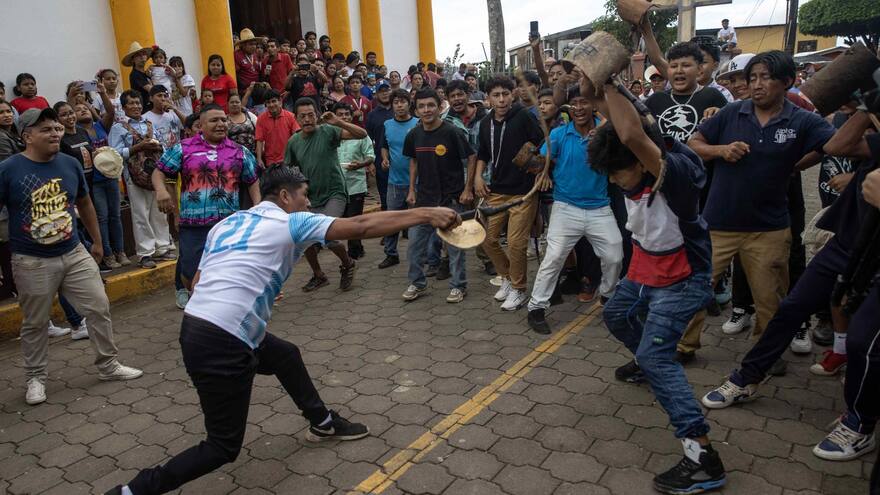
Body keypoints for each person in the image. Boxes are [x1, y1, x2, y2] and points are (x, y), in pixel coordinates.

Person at [106, 165, 460, 495]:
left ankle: (322, 421)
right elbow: (362, 226)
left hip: (198, 327)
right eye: (304, 195)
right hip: (223, 342)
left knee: (284, 355)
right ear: (286, 196)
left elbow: (197, 283)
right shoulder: (292, 221)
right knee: (222, 446)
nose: (308, 202)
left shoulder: (228, 223)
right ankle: (131, 491)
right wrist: (427, 214)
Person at [702, 110, 879, 463]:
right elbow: (837, 145)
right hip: (847, 242)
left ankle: (860, 424)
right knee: (792, 308)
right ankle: (748, 377)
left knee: (864, 340)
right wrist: (865, 107)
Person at [591, 79, 727, 494]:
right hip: (645, 266)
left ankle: (702, 458)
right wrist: (594, 83)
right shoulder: (635, 156)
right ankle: (648, 363)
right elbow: (618, 120)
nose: (616, 181)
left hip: (682, 278)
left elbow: (632, 135)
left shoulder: (676, 175)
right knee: (616, 315)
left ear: (641, 159)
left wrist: (610, 79)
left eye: (619, 172)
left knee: (658, 358)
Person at [670, 51, 836, 363]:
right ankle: (683, 346)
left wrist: (797, 164)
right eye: (753, 78)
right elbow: (694, 144)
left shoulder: (801, 120)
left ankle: (765, 355)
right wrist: (721, 150)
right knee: (694, 289)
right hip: (719, 224)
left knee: (770, 298)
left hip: (769, 228)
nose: (757, 84)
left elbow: (833, 145)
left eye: (766, 77)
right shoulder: (732, 112)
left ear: (787, 81)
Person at [1, 108, 143, 406]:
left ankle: (108, 365)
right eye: (46, 129)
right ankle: (36, 378)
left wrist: (97, 241)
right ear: (27, 136)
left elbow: (84, 202)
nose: (55, 133)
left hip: (74, 251)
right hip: (31, 260)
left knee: (98, 306)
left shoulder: (69, 163)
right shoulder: (9, 169)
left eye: (56, 128)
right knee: (36, 322)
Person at [526, 87, 623, 334]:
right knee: (554, 257)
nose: (579, 108)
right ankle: (536, 308)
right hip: (565, 207)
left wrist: (603, 135)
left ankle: (608, 296)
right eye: (574, 104)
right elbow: (540, 162)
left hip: (600, 207)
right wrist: (541, 169)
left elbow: (624, 131)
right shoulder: (558, 134)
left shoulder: (605, 133)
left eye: (584, 102)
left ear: (594, 106)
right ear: (569, 109)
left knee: (614, 256)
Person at [152, 103, 260, 301]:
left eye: (223, 120)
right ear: (201, 126)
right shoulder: (184, 148)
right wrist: (161, 191)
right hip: (193, 225)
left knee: (229, 271)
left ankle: (220, 305)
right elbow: (160, 171)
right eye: (214, 120)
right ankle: (195, 296)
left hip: (229, 225)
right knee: (189, 272)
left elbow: (252, 180)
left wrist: (258, 207)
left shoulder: (239, 151)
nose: (220, 124)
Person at [474, 76, 543, 311]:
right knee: (487, 239)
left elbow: (542, 144)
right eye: (496, 95)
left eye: (505, 94)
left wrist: (540, 171)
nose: (502, 99)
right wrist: (477, 177)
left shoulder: (524, 116)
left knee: (515, 243)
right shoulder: (485, 122)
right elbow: (483, 153)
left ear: (513, 95)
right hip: (496, 191)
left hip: (524, 192)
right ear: (488, 98)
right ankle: (506, 278)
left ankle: (519, 289)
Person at [401, 88, 475, 304]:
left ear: (440, 106)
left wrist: (468, 189)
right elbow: (413, 161)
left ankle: (459, 285)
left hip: (451, 199)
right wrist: (411, 189)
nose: (426, 110)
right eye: (422, 106)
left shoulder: (452, 132)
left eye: (431, 105)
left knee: (455, 247)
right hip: (424, 201)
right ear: (416, 110)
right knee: (414, 246)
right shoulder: (413, 135)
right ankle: (417, 282)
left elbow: (471, 157)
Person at [284, 98, 366, 291]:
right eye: (302, 116)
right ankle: (319, 275)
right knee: (303, 239)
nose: (307, 119)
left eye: (311, 115)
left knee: (328, 234)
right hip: (310, 197)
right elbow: (289, 171)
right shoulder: (293, 142)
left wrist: (338, 121)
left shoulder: (328, 131)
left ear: (317, 115)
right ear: (296, 118)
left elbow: (361, 134)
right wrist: (298, 194)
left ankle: (348, 263)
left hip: (334, 192)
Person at [109, 90, 175, 269]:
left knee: (159, 211)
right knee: (141, 214)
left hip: (154, 173)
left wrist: (157, 146)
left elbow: (163, 145)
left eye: (138, 103)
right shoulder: (118, 128)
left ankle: (162, 247)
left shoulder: (149, 124)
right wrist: (137, 147)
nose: (136, 106)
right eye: (131, 103)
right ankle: (145, 253)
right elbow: (114, 153)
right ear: (124, 107)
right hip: (134, 176)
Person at [75, 102, 129, 270]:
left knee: (115, 216)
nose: (83, 110)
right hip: (95, 181)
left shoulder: (100, 125)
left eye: (85, 108)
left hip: (111, 176)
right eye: (78, 109)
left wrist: (101, 93)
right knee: (102, 218)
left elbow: (111, 111)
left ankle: (120, 251)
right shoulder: (78, 132)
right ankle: (108, 254)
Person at [378, 90, 419, 268]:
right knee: (391, 220)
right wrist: (384, 159)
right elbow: (384, 146)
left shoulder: (418, 123)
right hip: (394, 182)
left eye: (403, 102)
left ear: (409, 104)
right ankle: (391, 254)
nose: (399, 105)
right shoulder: (387, 125)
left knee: (418, 221)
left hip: (417, 183)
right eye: (396, 102)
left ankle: (421, 255)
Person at [332, 102, 375, 259]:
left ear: (351, 116)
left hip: (356, 183)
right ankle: (352, 247)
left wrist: (361, 164)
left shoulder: (361, 135)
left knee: (354, 219)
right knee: (342, 219)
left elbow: (370, 156)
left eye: (347, 114)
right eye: (340, 115)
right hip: (335, 186)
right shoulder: (329, 134)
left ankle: (355, 251)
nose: (344, 117)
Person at [365, 82, 394, 211]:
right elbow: (368, 140)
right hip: (381, 160)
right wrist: (370, 162)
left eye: (387, 90)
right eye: (381, 91)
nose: (385, 93)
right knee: (384, 195)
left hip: (400, 157)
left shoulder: (398, 110)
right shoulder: (372, 115)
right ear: (376, 94)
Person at [255, 89, 300, 169]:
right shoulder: (261, 119)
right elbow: (259, 140)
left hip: (288, 160)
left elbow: (297, 137)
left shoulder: (291, 116)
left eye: (274, 101)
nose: (271, 105)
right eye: (268, 102)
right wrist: (259, 159)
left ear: (280, 101)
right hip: (270, 162)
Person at [122, 43, 155, 112]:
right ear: (133, 60)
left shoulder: (147, 73)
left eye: (143, 54)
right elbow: (153, 90)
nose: (142, 57)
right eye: (138, 55)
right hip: (144, 110)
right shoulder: (135, 74)